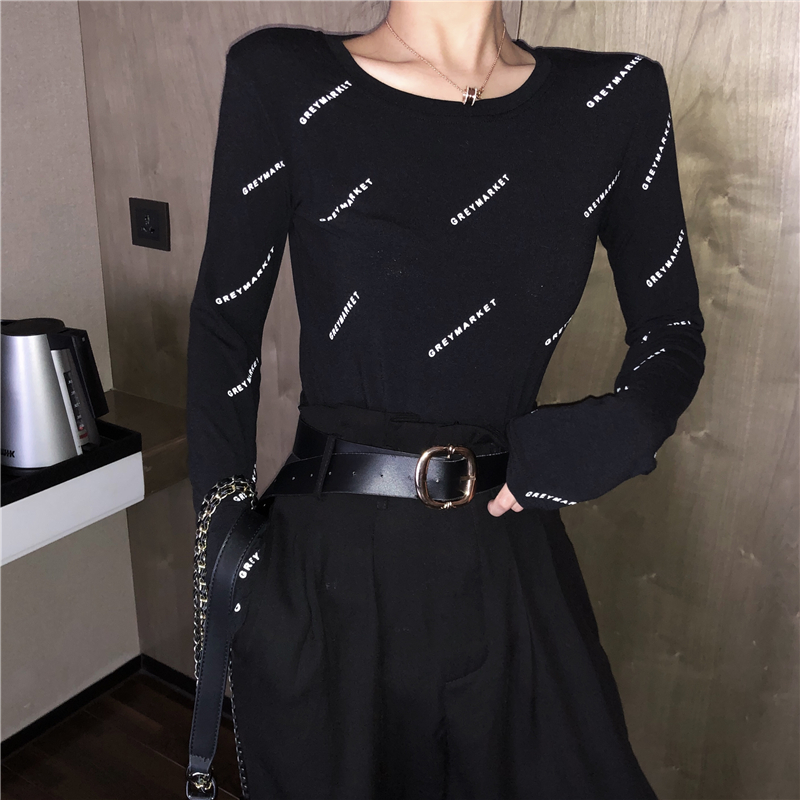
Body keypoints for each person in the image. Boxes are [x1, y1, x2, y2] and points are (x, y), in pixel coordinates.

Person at [186, 1, 705, 797]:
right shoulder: (285, 81)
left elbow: (672, 333)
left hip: (508, 553)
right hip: (327, 574)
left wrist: (590, 446)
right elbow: (224, 330)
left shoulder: (614, 100)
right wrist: (229, 552)